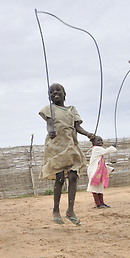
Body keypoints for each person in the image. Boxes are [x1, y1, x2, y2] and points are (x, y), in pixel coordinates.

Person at [39, 83, 94, 225]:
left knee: (73, 176)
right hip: (56, 147)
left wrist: (88, 134)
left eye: (58, 90)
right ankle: (56, 210)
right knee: (60, 178)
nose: (55, 93)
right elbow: (49, 123)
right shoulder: (49, 109)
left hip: (71, 146)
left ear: (64, 93)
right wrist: (50, 131)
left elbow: (77, 126)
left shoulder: (72, 109)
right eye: (51, 92)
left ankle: (70, 210)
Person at [86, 136, 116, 208]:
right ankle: (98, 203)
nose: (101, 142)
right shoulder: (96, 149)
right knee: (94, 187)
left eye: (101, 140)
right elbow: (106, 151)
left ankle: (101, 203)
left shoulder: (98, 151)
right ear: (94, 143)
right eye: (98, 140)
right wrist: (112, 147)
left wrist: (109, 168)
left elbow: (101, 164)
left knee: (99, 187)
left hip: (98, 172)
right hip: (94, 171)